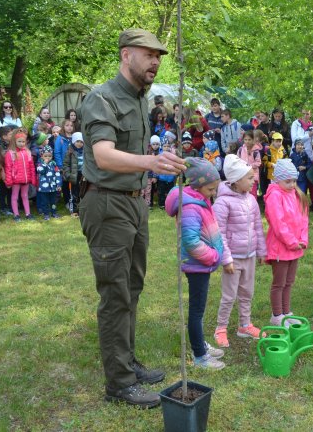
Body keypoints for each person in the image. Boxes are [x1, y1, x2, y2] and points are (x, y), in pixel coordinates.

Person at [79, 29, 186, 407]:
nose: (156, 61)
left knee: (133, 287)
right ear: (126, 55)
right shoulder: (102, 98)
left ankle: (126, 360)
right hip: (107, 204)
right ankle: (119, 383)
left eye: (159, 55)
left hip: (134, 204)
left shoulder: (140, 99)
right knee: (115, 293)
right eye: (148, 54)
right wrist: (151, 163)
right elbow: (105, 156)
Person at [165, 157, 225, 369]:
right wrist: (213, 256)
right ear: (197, 186)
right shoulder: (191, 207)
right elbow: (190, 241)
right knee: (197, 311)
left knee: (199, 309)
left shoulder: (200, 200)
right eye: (210, 189)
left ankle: (201, 344)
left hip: (203, 264)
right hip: (198, 265)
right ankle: (200, 356)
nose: (214, 193)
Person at [212, 155, 267, 348]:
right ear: (236, 180)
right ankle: (221, 328)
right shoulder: (222, 203)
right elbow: (220, 235)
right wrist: (226, 259)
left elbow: (258, 227)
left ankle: (244, 325)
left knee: (247, 293)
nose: (254, 181)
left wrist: (261, 251)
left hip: (249, 256)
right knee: (229, 295)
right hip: (233, 259)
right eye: (250, 178)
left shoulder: (251, 199)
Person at [264, 159, 309, 327]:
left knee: (289, 282)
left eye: (294, 181)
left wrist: (302, 240)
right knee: (279, 283)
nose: (292, 184)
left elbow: (304, 219)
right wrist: (291, 242)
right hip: (280, 248)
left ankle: (286, 312)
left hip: (296, 246)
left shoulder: (296, 194)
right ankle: (277, 315)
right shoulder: (274, 195)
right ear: (277, 179)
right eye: (288, 181)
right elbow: (278, 223)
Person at [4, 128, 37, 221]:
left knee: (25, 196)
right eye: (19, 141)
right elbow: (8, 168)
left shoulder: (27, 152)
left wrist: (33, 178)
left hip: (25, 179)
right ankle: (16, 215)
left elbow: (31, 167)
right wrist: (9, 181)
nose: (22, 143)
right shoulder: (10, 153)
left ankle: (28, 213)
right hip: (16, 180)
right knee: (14, 196)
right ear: (15, 141)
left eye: (23, 141)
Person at [36, 145, 62, 221]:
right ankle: (46, 214)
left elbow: (57, 174)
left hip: (53, 187)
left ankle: (54, 213)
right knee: (45, 202)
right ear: (42, 156)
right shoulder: (40, 164)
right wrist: (45, 164)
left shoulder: (54, 164)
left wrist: (58, 184)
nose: (47, 157)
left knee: (53, 201)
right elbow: (40, 171)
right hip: (44, 188)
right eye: (45, 156)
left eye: (49, 156)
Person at [62, 132, 85, 217]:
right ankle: (74, 211)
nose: (79, 144)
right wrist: (68, 175)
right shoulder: (70, 151)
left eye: (81, 142)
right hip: (74, 176)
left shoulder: (85, 151)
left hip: (83, 175)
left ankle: (82, 210)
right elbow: (66, 164)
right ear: (73, 142)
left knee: (83, 193)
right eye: (77, 141)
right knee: (74, 194)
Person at [237, 130, 261, 198]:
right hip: (242, 175)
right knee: (243, 192)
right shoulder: (241, 150)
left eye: (249, 139)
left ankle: (253, 206)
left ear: (253, 140)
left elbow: (258, 163)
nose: (247, 141)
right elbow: (237, 160)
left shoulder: (256, 151)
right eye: (245, 139)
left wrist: (249, 166)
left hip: (253, 176)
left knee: (252, 193)